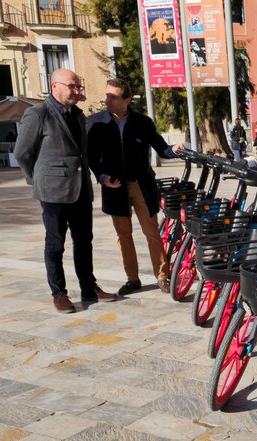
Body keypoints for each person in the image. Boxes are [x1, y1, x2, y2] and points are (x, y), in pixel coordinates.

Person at [14, 68, 118, 313]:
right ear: (54, 87)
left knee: (84, 242)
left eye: (78, 87)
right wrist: (37, 180)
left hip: (80, 189)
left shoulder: (78, 115)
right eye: (72, 86)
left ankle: (88, 287)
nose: (76, 91)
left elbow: (83, 153)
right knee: (56, 244)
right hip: (53, 192)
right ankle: (59, 293)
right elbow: (22, 153)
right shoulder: (37, 114)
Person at [86, 78, 185, 296]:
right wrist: (102, 177)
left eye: (113, 97)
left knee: (152, 233)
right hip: (114, 187)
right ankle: (132, 279)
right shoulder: (95, 122)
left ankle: (162, 276)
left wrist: (175, 149)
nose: (107, 100)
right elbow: (92, 158)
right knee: (124, 235)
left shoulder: (143, 122)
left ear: (127, 100)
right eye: (107, 95)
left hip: (141, 185)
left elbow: (161, 149)